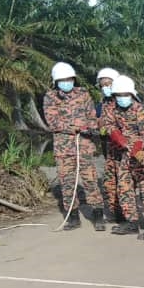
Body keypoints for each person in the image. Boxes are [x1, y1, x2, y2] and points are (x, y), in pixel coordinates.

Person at [42, 62, 105, 231]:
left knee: (90, 180)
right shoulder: (50, 97)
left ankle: (98, 214)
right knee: (67, 182)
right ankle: (73, 216)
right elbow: (53, 122)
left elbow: (91, 115)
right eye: (63, 80)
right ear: (56, 81)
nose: (66, 82)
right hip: (64, 148)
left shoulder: (83, 94)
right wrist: (75, 127)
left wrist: (90, 128)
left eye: (69, 79)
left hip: (84, 145)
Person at [100, 75, 144, 239]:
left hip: (142, 155)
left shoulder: (140, 111)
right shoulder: (112, 109)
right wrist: (116, 136)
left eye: (125, 95)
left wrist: (140, 149)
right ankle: (132, 222)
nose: (122, 99)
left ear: (132, 95)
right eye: (119, 96)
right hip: (124, 155)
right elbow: (107, 125)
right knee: (124, 187)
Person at [94, 68, 124, 223]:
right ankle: (116, 212)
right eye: (102, 85)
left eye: (108, 83)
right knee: (110, 181)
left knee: (123, 180)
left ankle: (126, 214)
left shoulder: (125, 100)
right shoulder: (103, 103)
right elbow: (99, 122)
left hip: (123, 148)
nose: (105, 87)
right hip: (109, 148)